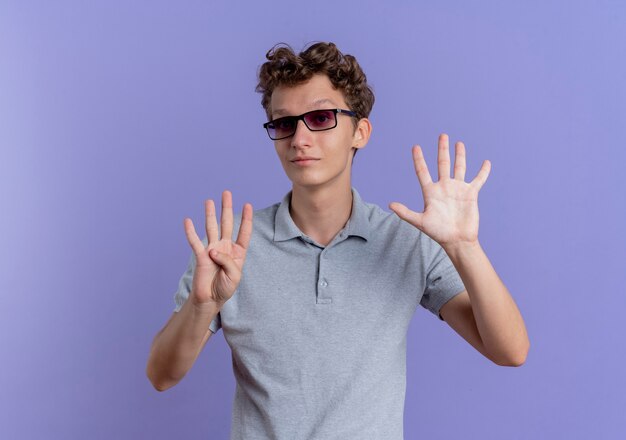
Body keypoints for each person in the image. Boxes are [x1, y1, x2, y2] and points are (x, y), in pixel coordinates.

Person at [146, 42, 529, 439]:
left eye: (321, 117)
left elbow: (510, 350)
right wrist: (203, 305)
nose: (300, 138)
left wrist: (465, 246)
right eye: (284, 123)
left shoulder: (406, 242)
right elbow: (161, 375)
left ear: (359, 132)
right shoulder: (231, 251)